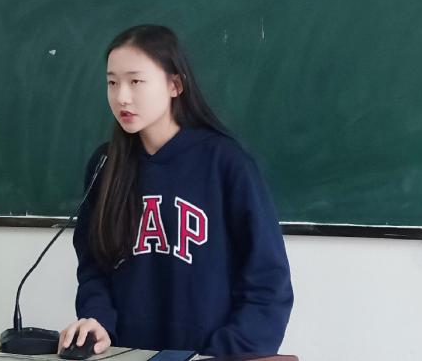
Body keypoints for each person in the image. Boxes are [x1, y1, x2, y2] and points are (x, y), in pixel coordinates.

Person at [59, 24, 293, 356]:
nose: (122, 96)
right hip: (124, 354)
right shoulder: (105, 165)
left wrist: (221, 352)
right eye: (112, 82)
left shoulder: (226, 163)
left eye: (136, 81)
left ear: (175, 85)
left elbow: (268, 281)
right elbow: (93, 266)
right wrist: (97, 320)